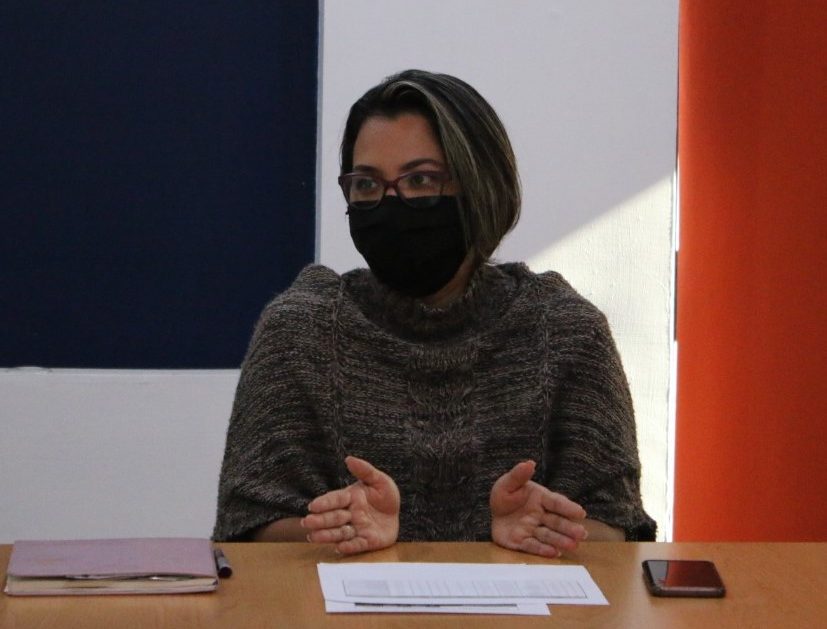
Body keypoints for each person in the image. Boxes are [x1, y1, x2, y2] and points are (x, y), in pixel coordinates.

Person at [213, 69, 656, 557]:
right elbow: (247, 529)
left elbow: (619, 528)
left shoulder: (566, 330)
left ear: (481, 186)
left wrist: (543, 530)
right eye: (367, 184)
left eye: (420, 180)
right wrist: (342, 530)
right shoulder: (300, 330)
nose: (390, 203)